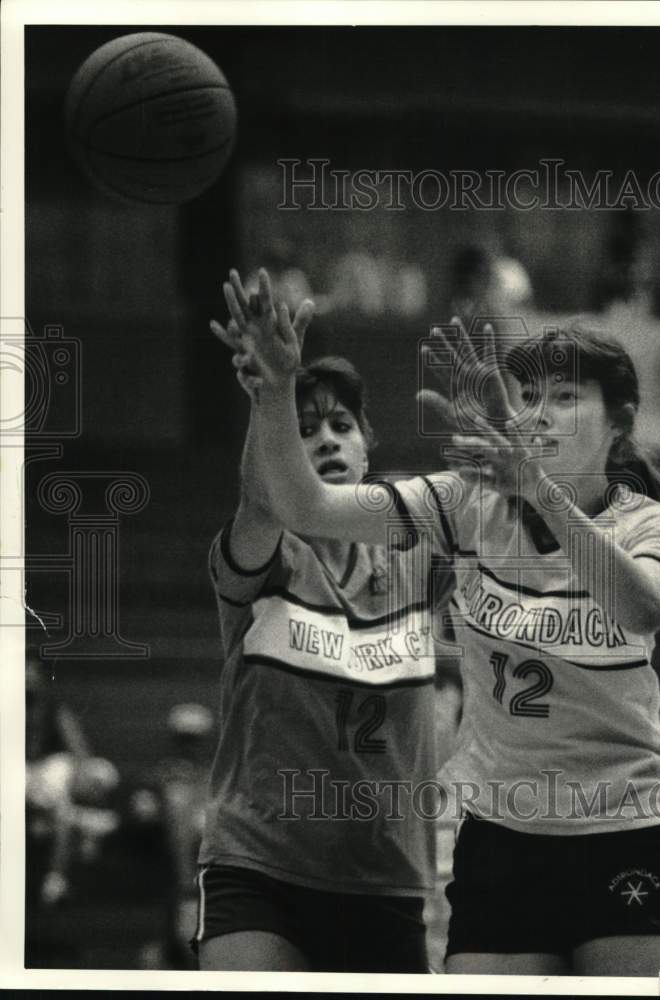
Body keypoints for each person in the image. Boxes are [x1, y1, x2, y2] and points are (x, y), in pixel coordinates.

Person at [240, 273, 660, 978]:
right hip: (501, 836)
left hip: (622, 829)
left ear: (619, 421)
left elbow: (641, 607)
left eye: (566, 398)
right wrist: (273, 387)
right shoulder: (465, 503)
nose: (541, 414)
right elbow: (307, 508)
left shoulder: (650, 526)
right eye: (531, 398)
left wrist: (536, 491)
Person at [194, 270, 452, 972]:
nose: (327, 441)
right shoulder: (266, 559)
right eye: (306, 432)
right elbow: (261, 503)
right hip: (258, 866)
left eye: (342, 426)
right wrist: (270, 391)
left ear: (368, 446)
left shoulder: (416, 560)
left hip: (386, 879)